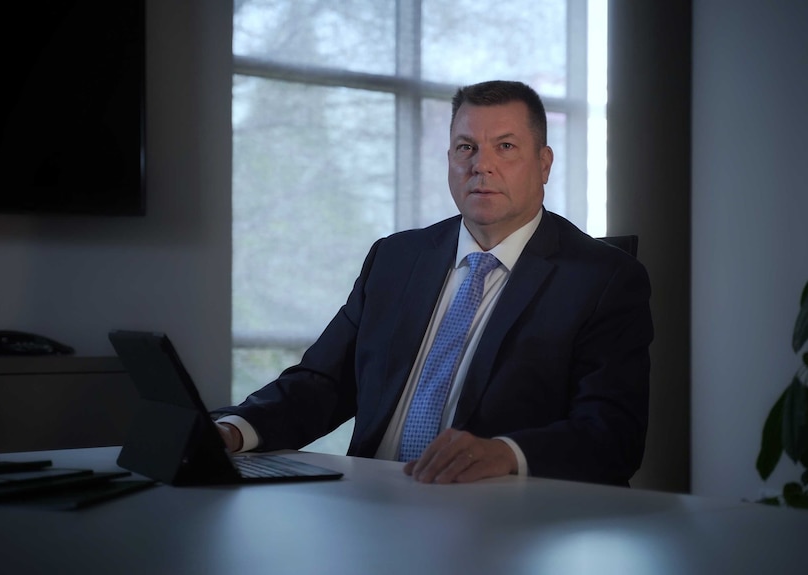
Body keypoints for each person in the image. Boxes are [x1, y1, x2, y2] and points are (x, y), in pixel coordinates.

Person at [213, 80, 653, 486]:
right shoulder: (396, 259)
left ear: (543, 163)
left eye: (505, 147)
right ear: (449, 160)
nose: (482, 165)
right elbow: (322, 383)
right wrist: (231, 431)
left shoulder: (603, 279)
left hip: (497, 519)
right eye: (466, 147)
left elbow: (612, 434)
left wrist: (506, 453)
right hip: (368, 499)